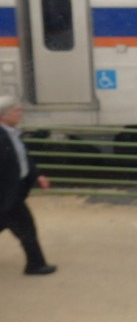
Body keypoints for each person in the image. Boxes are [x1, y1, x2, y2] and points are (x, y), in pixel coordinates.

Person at [0, 96, 57, 275]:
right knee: (26, 227)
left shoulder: (12, 132)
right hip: (7, 194)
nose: (20, 113)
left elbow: (23, 159)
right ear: (3, 115)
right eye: (16, 111)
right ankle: (35, 265)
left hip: (12, 191)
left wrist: (37, 175)